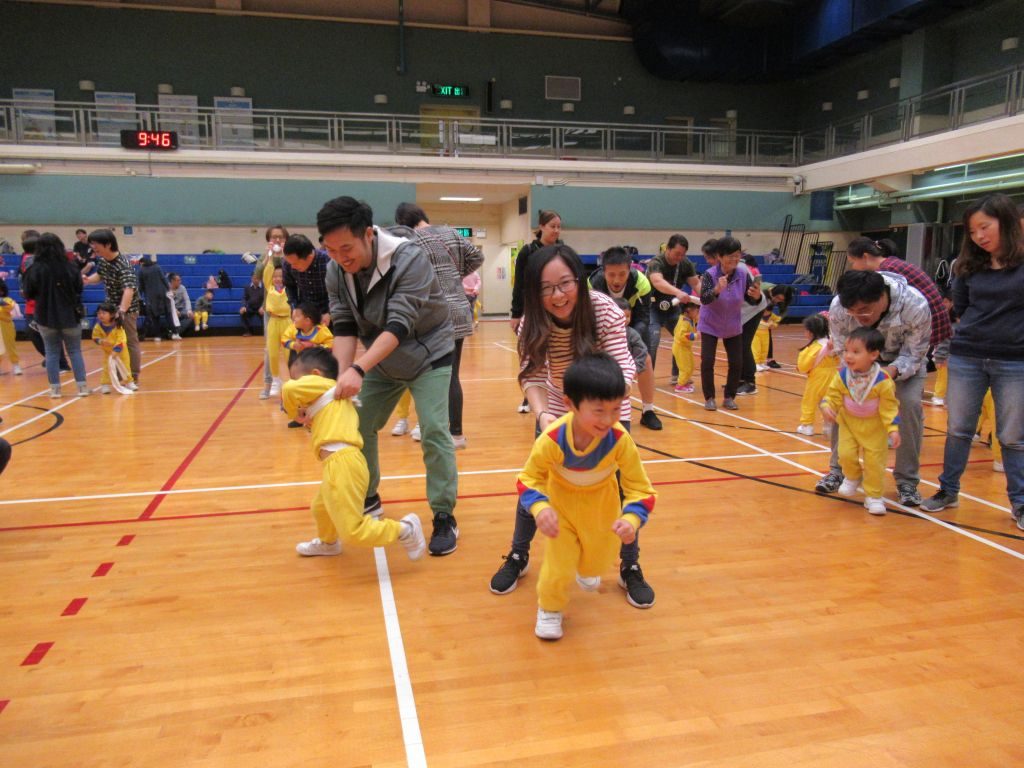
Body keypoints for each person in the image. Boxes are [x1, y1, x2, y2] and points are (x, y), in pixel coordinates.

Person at [489, 244, 655, 608]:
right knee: (536, 481)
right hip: (556, 409)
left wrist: (604, 408)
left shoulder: (603, 310)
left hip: (606, 406)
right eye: (546, 288)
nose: (558, 295)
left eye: (565, 283)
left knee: (622, 486)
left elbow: (623, 364)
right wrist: (543, 416)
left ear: (579, 280)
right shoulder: (533, 322)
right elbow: (532, 375)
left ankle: (629, 564)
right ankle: (518, 554)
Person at [319, 196, 459, 556]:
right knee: (357, 423)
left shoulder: (410, 259)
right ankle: (368, 496)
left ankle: (444, 515)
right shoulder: (335, 270)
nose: (340, 258)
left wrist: (358, 369)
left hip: (429, 353)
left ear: (368, 234)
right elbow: (344, 325)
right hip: (381, 359)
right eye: (331, 250)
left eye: (346, 248)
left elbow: (399, 324)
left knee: (433, 430)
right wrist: (341, 377)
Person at [521, 353, 656, 641]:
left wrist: (631, 519)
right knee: (558, 564)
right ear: (570, 404)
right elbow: (528, 479)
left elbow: (641, 488)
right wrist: (540, 508)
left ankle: (586, 567)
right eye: (598, 411)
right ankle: (550, 607)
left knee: (596, 563)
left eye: (616, 409)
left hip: (601, 511)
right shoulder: (552, 439)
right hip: (562, 510)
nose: (608, 420)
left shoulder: (619, 440)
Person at [918, 193, 1024, 526]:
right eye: (973, 230)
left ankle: (1020, 503)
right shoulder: (967, 266)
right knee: (959, 430)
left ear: (1005, 221)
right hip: (968, 357)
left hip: (1015, 362)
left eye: (984, 227)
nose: (979, 236)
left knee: (1012, 436)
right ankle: (947, 491)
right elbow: (961, 308)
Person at [284, 347, 427, 561]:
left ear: (315, 375)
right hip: (339, 463)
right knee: (321, 508)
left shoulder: (324, 386)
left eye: (300, 380)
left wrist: (294, 412)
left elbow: (288, 389)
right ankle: (328, 543)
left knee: (353, 531)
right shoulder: (327, 399)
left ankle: (404, 529)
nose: (300, 394)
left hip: (343, 463)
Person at [815, 270, 931, 507]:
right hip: (858, 364)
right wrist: (856, 373)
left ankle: (907, 481)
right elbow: (841, 347)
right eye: (853, 311)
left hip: (902, 364)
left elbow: (915, 353)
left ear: (882, 297)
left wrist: (887, 374)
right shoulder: (839, 307)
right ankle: (838, 471)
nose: (859, 316)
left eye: (865, 310)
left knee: (908, 405)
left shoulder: (915, 305)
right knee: (840, 404)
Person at [393, 202, 485, 449]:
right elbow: (478, 256)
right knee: (452, 375)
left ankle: (431, 427)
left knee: (429, 375)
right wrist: (456, 274)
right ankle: (456, 434)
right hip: (459, 310)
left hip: (432, 315)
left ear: (403, 223)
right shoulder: (450, 232)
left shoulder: (411, 241)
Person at [845, 236, 952, 408]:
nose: (853, 268)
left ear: (865, 257)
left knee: (907, 390)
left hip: (925, 326)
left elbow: (913, 351)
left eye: (853, 262)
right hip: (929, 324)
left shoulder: (886, 274)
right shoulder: (893, 264)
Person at [820, 327, 901, 516]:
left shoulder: (883, 380)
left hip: (874, 428)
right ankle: (853, 476)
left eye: (856, 352)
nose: (848, 356)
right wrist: (827, 406)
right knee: (845, 454)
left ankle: (874, 496)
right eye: (847, 350)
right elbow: (833, 394)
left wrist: (893, 428)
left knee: (874, 463)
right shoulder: (843, 375)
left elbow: (889, 406)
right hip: (849, 424)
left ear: (873, 355)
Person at [591, 248, 660, 429]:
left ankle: (648, 410)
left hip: (632, 326)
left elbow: (643, 318)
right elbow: (589, 318)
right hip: (601, 327)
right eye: (611, 275)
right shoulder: (592, 284)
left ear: (630, 270)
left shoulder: (642, 283)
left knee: (646, 359)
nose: (617, 280)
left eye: (622, 274)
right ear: (603, 271)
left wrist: (626, 342)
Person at [697, 237, 763, 411]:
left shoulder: (742, 274)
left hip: (733, 323)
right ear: (720, 256)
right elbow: (704, 299)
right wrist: (717, 290)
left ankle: (729, 397)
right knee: (707, 361)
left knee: (736, 362)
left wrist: (757, 297)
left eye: (737, 255)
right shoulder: (710, 274)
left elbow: (751, 299)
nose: (734, 259)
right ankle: (709, 398)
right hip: (710, 323)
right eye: (730, 256)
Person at [21, 233, 90, 398]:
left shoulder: (35, 268)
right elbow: (79, 288)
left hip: (45, 315)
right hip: (70, 315)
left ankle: (55, 389)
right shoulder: (71, 266)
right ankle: (82, 387)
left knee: (51, 352)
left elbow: (28, 293)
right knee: (74, 351)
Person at [510, 210, 562, 413]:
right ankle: (529, 397)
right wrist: (516, 313)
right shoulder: (527, 251)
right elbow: (519, 284)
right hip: (532, 310)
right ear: (541, 227)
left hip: (556, 308)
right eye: (552, 226)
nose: (556, 230)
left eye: (559, 227)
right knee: (532, 352)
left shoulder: (562, 250)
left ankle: (557, 394)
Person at [85, 229, 141, 385]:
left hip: (126, 310)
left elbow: (129, 289)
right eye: (92, 244)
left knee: (129, 341)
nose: (93, 247)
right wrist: (87, 280)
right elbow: (99, 276)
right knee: (114, 342)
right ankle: (119, 373)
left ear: (108, 244)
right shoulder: (103, 261)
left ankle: (133, 375)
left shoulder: (124, 264)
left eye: (96, 244)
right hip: (110, 309)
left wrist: (121, 311)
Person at [645, 234, 700, 377]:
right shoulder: (656, 263)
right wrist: (678, 292)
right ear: (668, 249)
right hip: (652, 308)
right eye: (677, 253)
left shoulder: (685, 263)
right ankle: (647, 376)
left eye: (683, 254)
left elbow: (696, 283)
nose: (680, 257)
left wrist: (707, 297)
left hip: (673, 307)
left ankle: (678, 375)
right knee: (653, 341)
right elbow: (657, 282)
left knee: (681, 338)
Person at [19, 230, 69, 370]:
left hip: (42, 303)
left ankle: (59, 362)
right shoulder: (26, 258)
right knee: (36, 333)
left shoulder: (39, 261)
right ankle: (54, 359)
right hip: (32, 303)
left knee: (45, 334)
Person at [612, 298, 661, 430]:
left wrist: (634, 370)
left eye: (628, 316)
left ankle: (647, 411)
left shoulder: (632, 334)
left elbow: (642, 353)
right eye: (621, 316)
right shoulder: (603, 332)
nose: (625, 320)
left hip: (626, 372)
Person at [254, 225, 288, 399]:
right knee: (270, 349)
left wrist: (283, 255)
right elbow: (257, 276)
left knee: (291, 348)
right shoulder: (264, 256)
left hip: (289, 311)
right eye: (274, 237)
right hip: (272, 312)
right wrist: (268, 256)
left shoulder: (290, 255)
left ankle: (293, 385)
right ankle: (269, 385)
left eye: (280, 237)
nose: (277, 240)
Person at [795, 313, 837, 436]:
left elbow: (803, 366)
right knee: (829, 402)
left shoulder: (813, 348)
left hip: (818, 378)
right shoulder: (833, 345)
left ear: (810, 332)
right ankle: (829, 425)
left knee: (810, 400)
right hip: (834, 376)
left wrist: (800, 367)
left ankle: (807, 425)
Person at [282, 234, 331, 325]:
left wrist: (329, 312)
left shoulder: (328, 261)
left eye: (295, 263)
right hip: (305, 313)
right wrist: (295, 307)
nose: (292, 267)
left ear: (309, 256)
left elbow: (340, 291)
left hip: (330, 309)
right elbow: (289, 286)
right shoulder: (288, 263)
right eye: (289, 263)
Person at [91, 301, 134, 394]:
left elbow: (121, 339)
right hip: (108, 352)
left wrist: (116, 350)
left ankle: (129, 382)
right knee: (107, 367)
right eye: (99, 313)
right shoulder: (98, 326)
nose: (101, 315)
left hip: (121, 351)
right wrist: (100, 341)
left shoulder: (118, 326)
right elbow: (95, 337)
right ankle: (105, 384)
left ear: (111, 315)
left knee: (125, 366)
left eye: (103, 313)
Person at [264, 267, 292, 397]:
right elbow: (267, 272)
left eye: (280, 276)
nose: (277, 279)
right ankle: (276, 380)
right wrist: (272, 257)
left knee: (289, 354)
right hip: (273, 321)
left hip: (287, 322)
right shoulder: (269, 288)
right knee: (273, 353)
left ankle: (292, 381)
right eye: (275, 276)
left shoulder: (289, 289)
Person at [138, 255, 172, 341]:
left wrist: (139, 295)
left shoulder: (141, 270)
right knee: (168, 314)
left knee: (154, 316)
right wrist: (169, 289)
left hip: (151, 296)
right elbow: (163, 279)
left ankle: (158, 335)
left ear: (142, 263)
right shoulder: (157, 267)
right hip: (162, 294)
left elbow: (140, 285)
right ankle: (174, 333)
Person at [672, 300, 700, 392]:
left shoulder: (690, 319)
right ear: (688, 310)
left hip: (686, 347)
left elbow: (697, 321)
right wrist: (695, 336)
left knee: (691, 365)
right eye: (696, 310)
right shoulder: (684, 321)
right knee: (685, 367)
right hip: (680, 348)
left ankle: (685, 382)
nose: (697, 312)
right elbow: (681, 335)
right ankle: (680, 385)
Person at [0, 278, 22, 375]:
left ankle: (16, 364)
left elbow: (10, 306)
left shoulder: (7, 300)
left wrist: (1, 302)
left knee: (10, 346)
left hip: (6, 326)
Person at [167, 273, 192, 339]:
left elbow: (187, 299)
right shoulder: (167, 288)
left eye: (180, 280)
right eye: (178, 280)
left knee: (191, 316)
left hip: (181, 309)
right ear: (172, 281)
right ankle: (174, 333)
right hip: (170, 309)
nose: (180, 282)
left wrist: (189, 310)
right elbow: (167, 302)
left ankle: (175, 333)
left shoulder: (182, 288)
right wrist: (174, 310)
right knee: (172, 315)